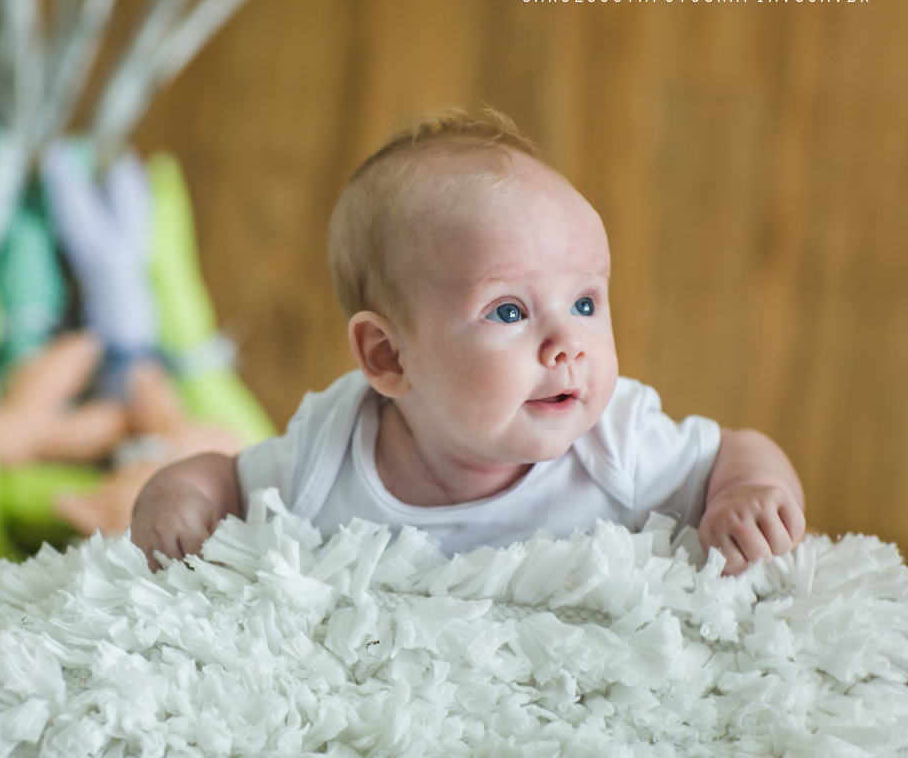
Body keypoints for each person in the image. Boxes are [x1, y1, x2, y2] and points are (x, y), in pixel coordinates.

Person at [130, 109, 806, 576]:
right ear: (389, 358)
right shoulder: (331, 454)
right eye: (509, 311)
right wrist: (177, 496)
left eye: (584, 301)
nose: (567, 342)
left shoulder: (618, 446)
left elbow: (735, 450)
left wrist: (750, 491)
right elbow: (227, 479)